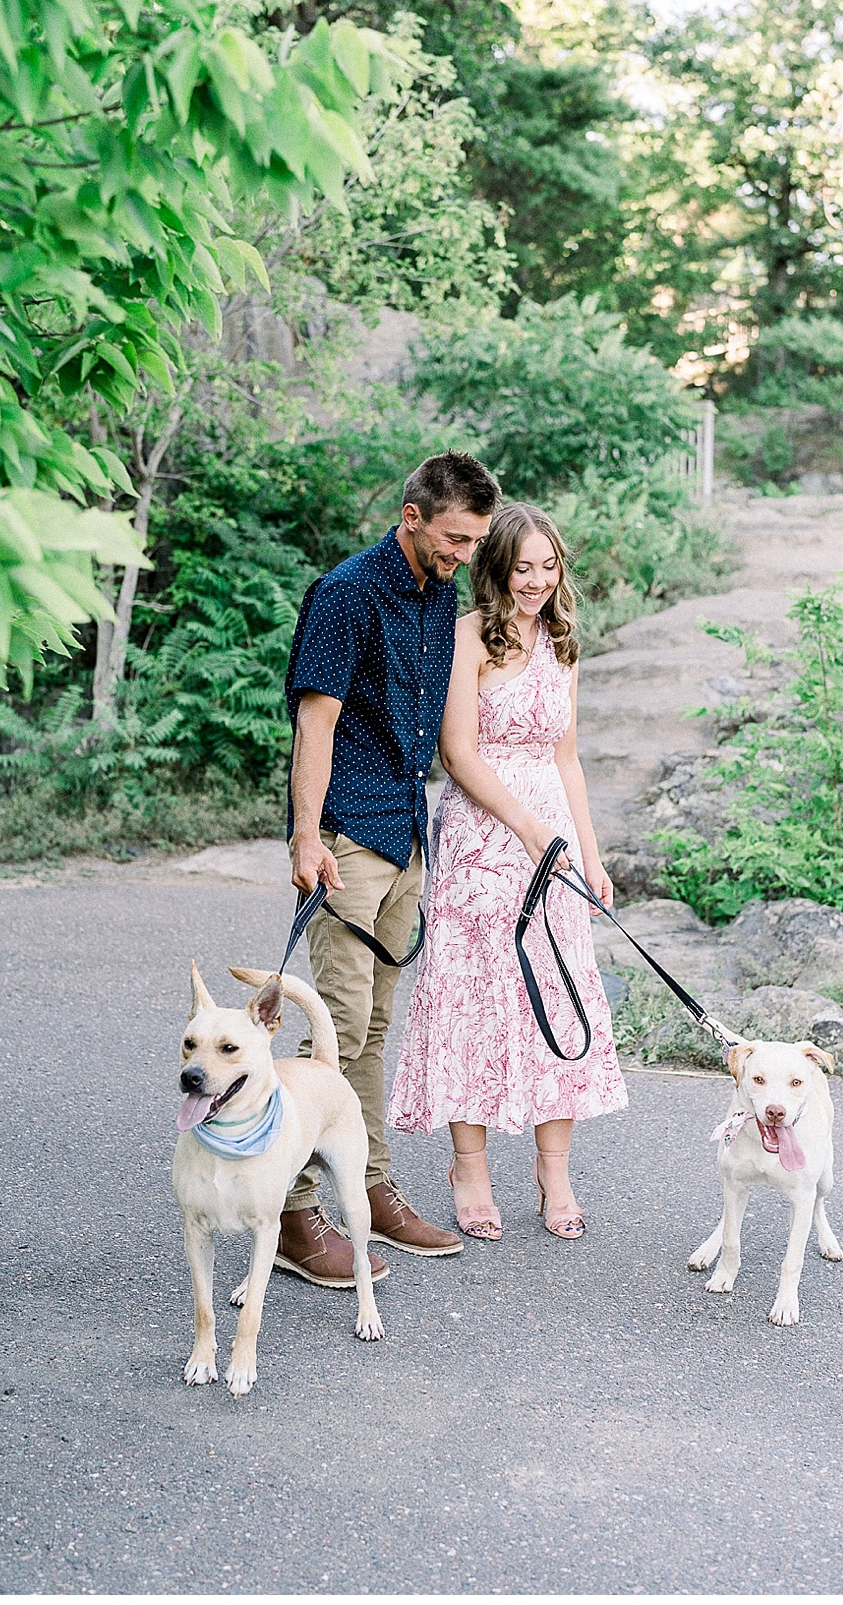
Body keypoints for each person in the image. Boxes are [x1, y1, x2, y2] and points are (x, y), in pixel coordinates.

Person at [278, 451, 501, 1285]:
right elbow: (317, 724)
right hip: (347, 841)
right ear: (411, 517)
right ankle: (297, 1214)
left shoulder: (437, 595)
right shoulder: (346, 593)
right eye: (453, 537)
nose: (463, 555)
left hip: (407, 837)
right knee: (331, 1029)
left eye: (474, 541)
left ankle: (370, 1193)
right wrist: (308, 839)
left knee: (371, 1028)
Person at [388, 502, 628, 1240]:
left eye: (548, 567)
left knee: (555, 993)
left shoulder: (563, 642)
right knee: (474, 996)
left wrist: (588, 851)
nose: (536, 581)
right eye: (523, 567)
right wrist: (527, 830)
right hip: (482, 840)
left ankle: (554, 1170)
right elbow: (457, 754)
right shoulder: (465, 638)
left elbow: (566, 755)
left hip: (551, 839)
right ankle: (471, 1166)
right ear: (497, 568)